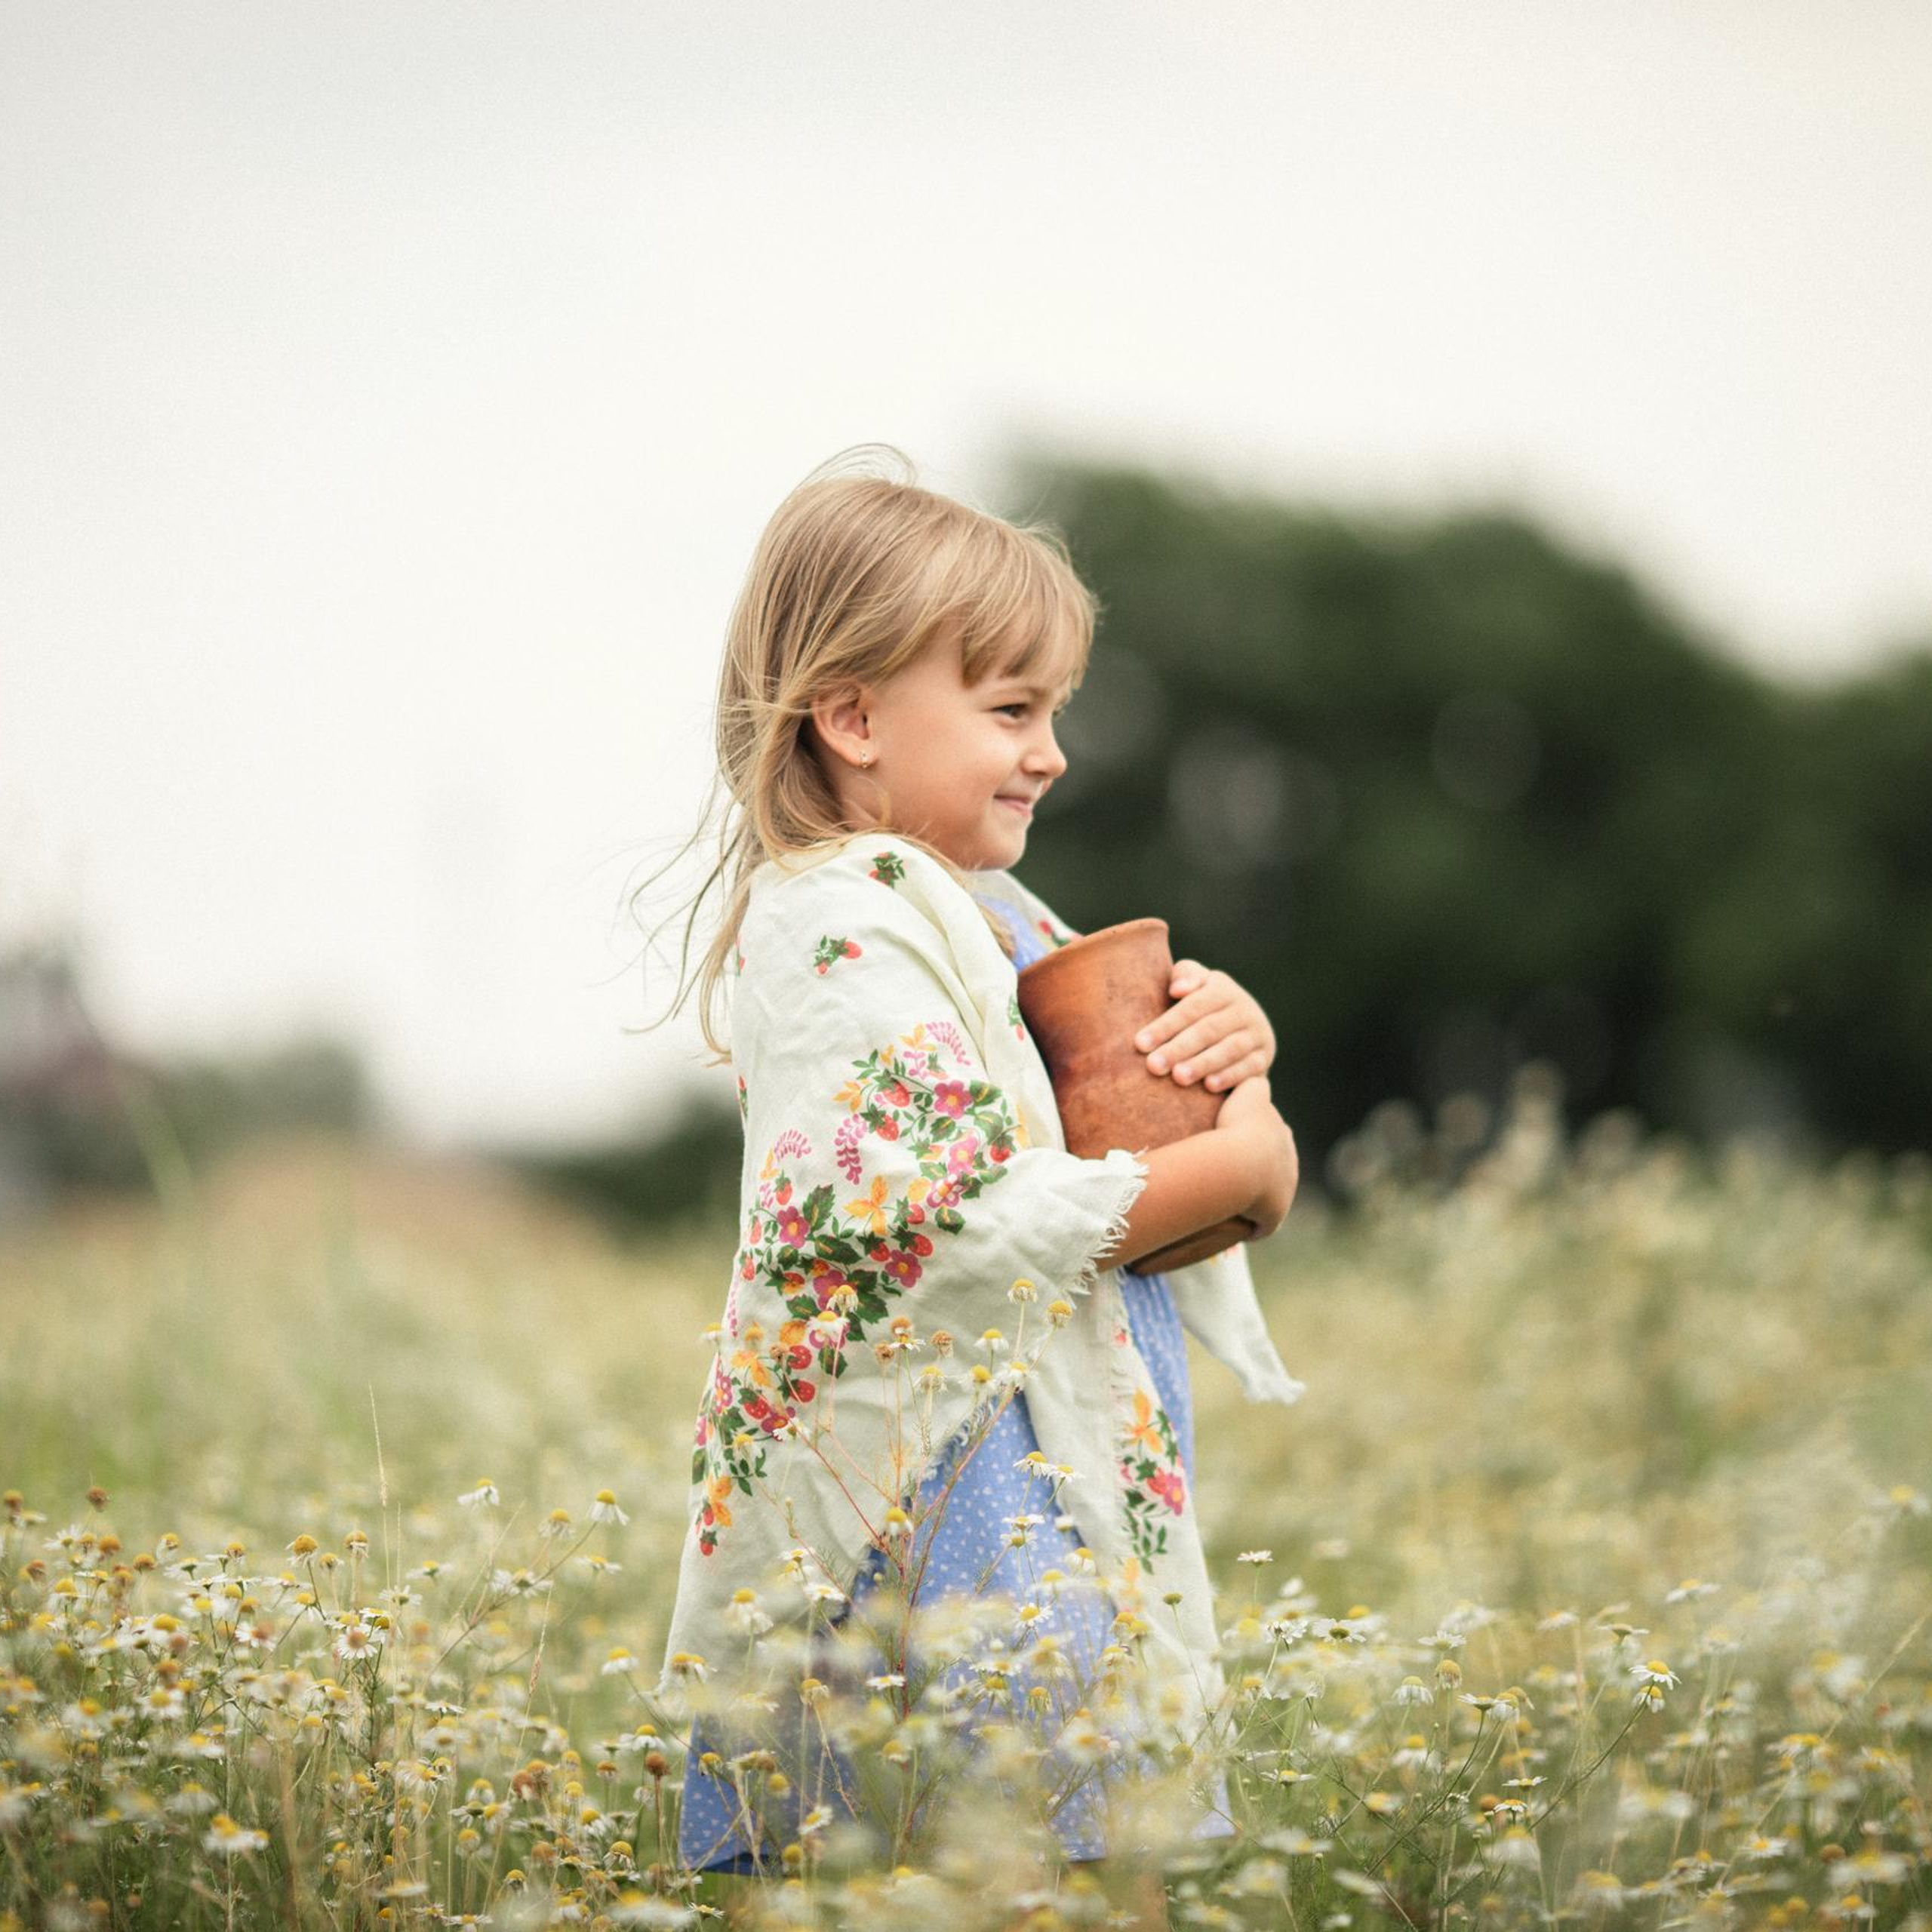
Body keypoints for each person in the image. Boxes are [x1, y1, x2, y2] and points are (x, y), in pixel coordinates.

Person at [641, 446, 1305, 1919]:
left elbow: (1144, 1178)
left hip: (1049, 1472)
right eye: (1010, 708)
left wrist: (1236, 1076)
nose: (1049, 750)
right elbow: (953, 1226)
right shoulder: (830, 926)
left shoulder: (1004, 920)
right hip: (930, 1492)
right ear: (854, 712)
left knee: (1074, 1847)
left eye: (1049, 711)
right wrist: (1240, 1162)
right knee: (967, 1849)